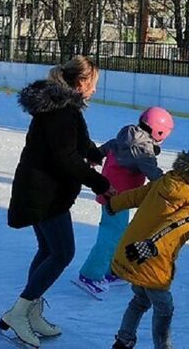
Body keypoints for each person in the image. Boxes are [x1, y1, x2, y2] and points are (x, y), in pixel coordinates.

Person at [0, 56, 114, 348]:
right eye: (94, 84)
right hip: (45, 193)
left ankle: (31, 309)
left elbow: (75, 144)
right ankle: (20, 311)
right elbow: (66, 158)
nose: (95, 91)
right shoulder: (62, 112)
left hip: (41, 189)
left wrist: (98, 153)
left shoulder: (63, 109)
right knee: (62, 252)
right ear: (80, 82)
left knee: (48, 249)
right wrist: (100, 182)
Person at [108, 137, 189, 349]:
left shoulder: (169, 180)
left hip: (130, 250)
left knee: (140, 300)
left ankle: (124, 340)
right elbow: (174, 224)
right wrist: (150, 245)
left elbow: (140, 194)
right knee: (164, 307)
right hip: (150, 258)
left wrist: (115, 203)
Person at [75, 106, 174, 298]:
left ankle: (110, 271)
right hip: (117, 197)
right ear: (159, 132)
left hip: (114, 193)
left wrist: (96, 155)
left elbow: (109, 145)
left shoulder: (127, 135)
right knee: (110, 237)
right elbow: (154, 175)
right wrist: (171, 186)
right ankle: (90, 275)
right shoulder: (143, 151)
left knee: (119, 234)